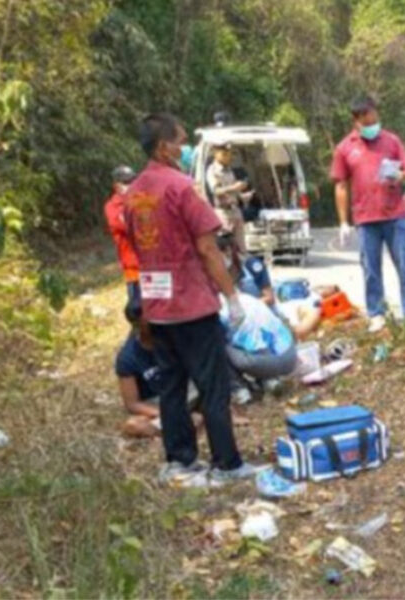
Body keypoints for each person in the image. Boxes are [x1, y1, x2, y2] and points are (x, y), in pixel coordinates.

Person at [124, 112, 259, 483]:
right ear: (165, 147)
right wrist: (231, 297)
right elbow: (207, 248)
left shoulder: (134, 193)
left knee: (172, 388)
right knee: (214, 387)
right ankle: (227, 463)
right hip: (191, 303)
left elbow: (138, 248)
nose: (184, 149)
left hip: (157, 306)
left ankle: (180, 460)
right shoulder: (181, 187)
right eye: (181, 142)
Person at [331, 95, 405, 333]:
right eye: (367, 120)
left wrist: (400, 176)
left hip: (395, 213)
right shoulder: (345, 148)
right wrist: (343, 222)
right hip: (365, 217)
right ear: (357, 120)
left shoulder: (391, 141)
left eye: (375, 118)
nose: (373, 124)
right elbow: (340, 185)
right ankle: (376, 313)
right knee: (370, 268)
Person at [114, 323, 204, 438]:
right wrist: (170, 414)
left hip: (184, 392)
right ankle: (182, 426)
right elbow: (132, 404)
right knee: (133, 425)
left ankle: (190, 422)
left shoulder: (174, 339)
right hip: (157, 403)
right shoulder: (128, 357)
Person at [218, 292, 298, 405]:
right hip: (290, 355)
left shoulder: (219, 312)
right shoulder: (247, 297)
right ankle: (270, 380)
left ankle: (240, 390)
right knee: (253, 339)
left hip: (263, 362)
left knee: (216, 347)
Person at [104, 165, 141, 319]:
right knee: (138, 311)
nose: (131, 184)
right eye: (127, 182)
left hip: (153, 265)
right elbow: (130, 226)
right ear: (117, 186)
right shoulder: (113, 207)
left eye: (133, 180)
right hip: (134, 268)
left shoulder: (141, 200)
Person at [206, 143, 251, 253]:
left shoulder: (229, 170)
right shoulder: (212, 171)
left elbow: (233, 190)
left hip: (235, 210)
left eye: (229, 154)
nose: (228, 157)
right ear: (216, 154)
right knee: (226, 247)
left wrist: (242, 195)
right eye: (224, 154)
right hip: (223, 212)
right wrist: (234, 187)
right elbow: (216, 191)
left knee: (241, 248)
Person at [216, 232, 273, 306]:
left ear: (228, 250)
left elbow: (269, 298)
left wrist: (248, 307)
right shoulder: (221, 271)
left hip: (263, 311)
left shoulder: (252, 265)